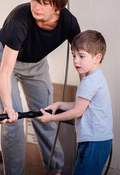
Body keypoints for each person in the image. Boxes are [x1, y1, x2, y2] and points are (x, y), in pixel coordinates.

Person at [0, 0, 81, 175]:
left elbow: (84, 58)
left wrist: (87, 94)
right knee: (13, 124)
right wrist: (9, 109)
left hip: (36, 65)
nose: (36, 7)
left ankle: (55, 170)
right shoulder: (19, 19)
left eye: (44, 3)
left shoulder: (68, 22)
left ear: (58, 6)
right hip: (4, 62)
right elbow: (5, 71)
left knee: (45, 116)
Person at [36, 30, 113, 175]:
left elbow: (77, 111)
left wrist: (52, 118)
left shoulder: (90, 81)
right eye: (74, 56)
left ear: (97, 58)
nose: (76, 60)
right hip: (97, 140)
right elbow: (81, 105)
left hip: (94, 142)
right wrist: (59, 104)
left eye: (81, 56)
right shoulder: (95, 77)